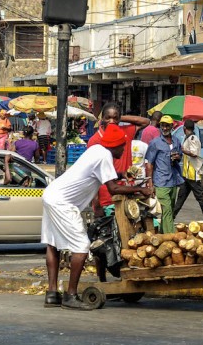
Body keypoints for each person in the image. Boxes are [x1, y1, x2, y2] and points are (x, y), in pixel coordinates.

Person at [41, 124, 152, 310]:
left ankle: (52, 293)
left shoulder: (96, 150)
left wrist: (119, 174)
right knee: (82, 247)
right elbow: (113, 188)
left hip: (51, 194)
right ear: (115, 145)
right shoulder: (105, 156)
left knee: (53, 243)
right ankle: (70, 296)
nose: (123, 150)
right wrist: (140, 189)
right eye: (122, 146)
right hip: (63, 202)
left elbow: (101, 175)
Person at [86, 103, 150, 216]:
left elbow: (145, 122)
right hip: (106, 196)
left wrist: (120, 118)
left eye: (115, 118)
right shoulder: (95, 140)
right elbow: (92, 174)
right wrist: (96, 204)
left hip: (126, 191)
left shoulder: (124, 131)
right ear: (102, 119)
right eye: (108, 117)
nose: (111, 121)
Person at [145, 115, 184, 233]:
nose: (165, 128)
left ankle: (163, 236)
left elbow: (180, 155)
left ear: (172, 127)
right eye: (162, 125)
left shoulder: (176, 141)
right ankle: (171, 236)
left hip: (173, 180)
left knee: (170, 210)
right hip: (161, 181)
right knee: (166, 209)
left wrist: (178, 157)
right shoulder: (155, 143)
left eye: (167, 126)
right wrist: (150, 184)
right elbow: (149, 164)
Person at [172, 119, 203, 221]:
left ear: (184, 129)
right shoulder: (187, 138)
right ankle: (172, 217)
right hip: (187, 174)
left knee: (199, 197)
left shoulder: (193, 138)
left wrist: (183, 150)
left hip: (193, 174)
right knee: (181, 197)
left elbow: (194, 153)